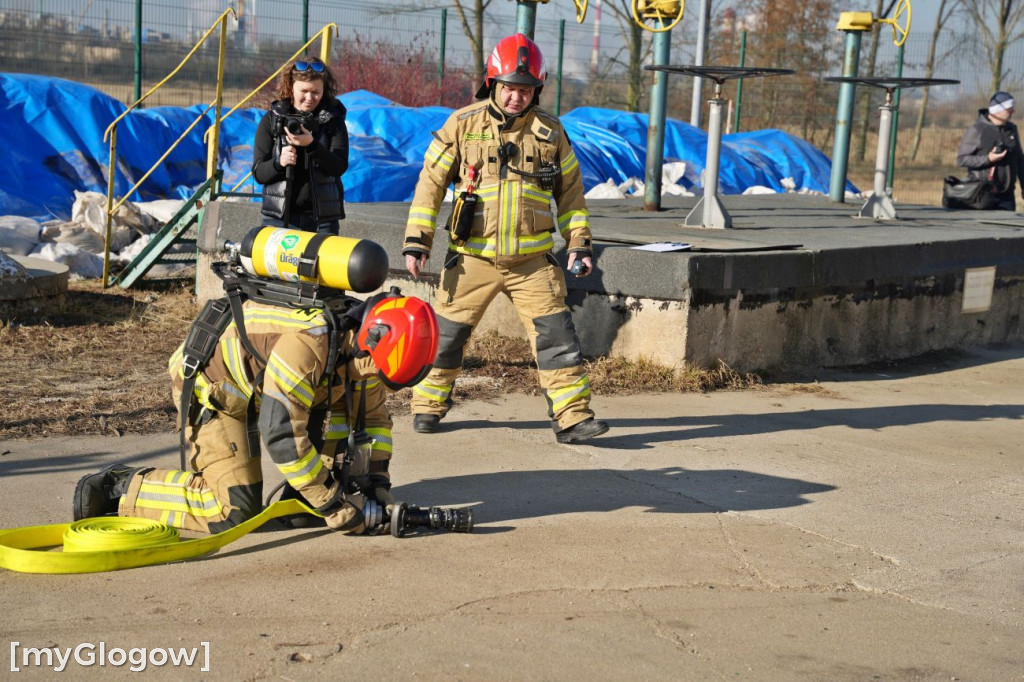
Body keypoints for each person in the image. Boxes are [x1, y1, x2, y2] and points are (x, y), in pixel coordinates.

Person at [72, 284, 439, 535]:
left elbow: (373, 421)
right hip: (217, 391)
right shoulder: (309, 347)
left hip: (269, 389)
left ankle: (301, 499)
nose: (375, 379)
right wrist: (333, 503)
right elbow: (281, 435)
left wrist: (376, 484)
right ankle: (121, 488)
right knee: (232, 511)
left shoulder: (363, 348)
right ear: (369, 343)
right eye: (377, 370)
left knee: (316, 493)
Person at [402, 33, 608, 445]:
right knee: (446, 336)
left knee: (557, 339)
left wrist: (580, 243)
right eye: (510, 88)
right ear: (492, 83)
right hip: (471, 259)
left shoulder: (551, 133)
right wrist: (417, 241)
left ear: (538, 89)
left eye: (526, 90)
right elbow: (430, 185)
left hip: (532, 263)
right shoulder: (462, 125)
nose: (517, 97)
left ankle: (572, 418)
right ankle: (426, 404)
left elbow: (571, 195)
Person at [252, 55, 348, 234]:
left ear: (324, 90)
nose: (310, 98)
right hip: (279, 218)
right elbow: (259, 173)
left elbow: (339, 167)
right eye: (304, 91)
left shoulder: (333, 121)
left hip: (323, 220)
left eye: (316, 92)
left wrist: (312, 146)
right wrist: (279, 162)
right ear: (291, 88)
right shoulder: (272, 120)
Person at [956, 91, 1024, 211]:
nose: (1013, 112)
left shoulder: (1012, 129)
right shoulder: (977, 130)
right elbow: (962, 159)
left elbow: (1019, 159)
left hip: (1007, 196)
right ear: (997, 110)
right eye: (1009, 109)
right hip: (982, 194)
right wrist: (988, 159)